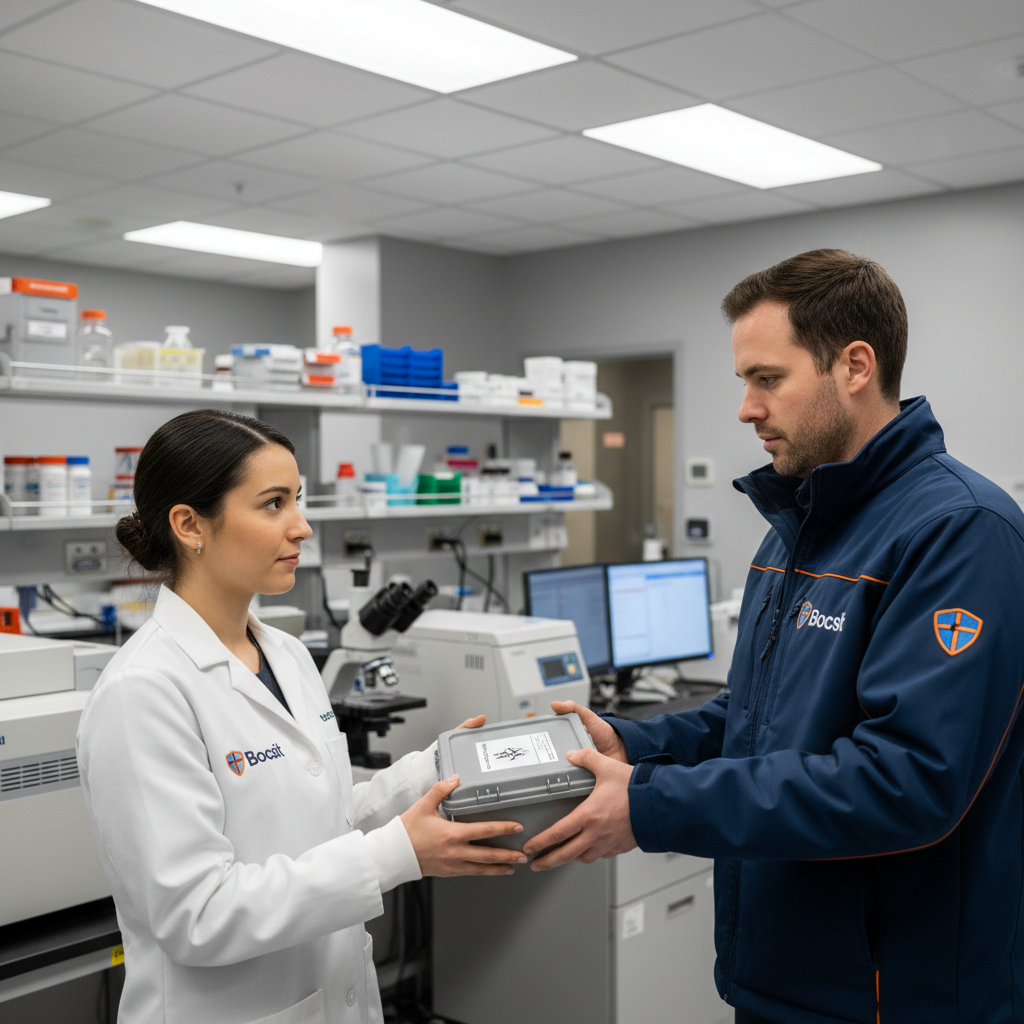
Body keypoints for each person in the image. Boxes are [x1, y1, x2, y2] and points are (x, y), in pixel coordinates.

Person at [523, 250, 1024, 1024]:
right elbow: (756, 718)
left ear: (854, 365)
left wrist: (652, 806)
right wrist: (636, 748)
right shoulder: (800, 523)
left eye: (767, 379)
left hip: (896, 994)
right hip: (780, 974)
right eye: (743, 383)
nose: (746, 409)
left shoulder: (960, 531)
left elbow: (908, 780)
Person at [77, 409, 526, 1024]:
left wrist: (437, 770)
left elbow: (326, 814)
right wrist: (396, 854)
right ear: (189, 524)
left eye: (299, 501)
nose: (303, 527)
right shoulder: (144, 691)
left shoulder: (286, 654)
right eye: (272, 504)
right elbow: (198, 915)